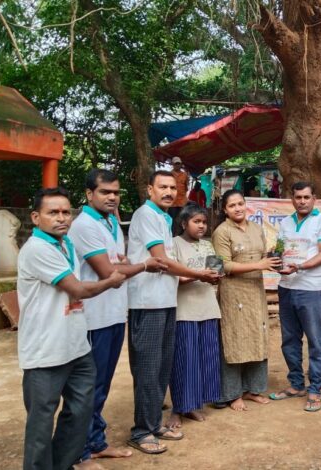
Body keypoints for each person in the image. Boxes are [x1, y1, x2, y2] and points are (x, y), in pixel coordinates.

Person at [17, 187, 126, 470]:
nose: (62, 218)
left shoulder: (65, 245)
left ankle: (63, 463)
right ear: (35, 217)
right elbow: (77, 288)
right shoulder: (37, 249)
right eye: (53, 212)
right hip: (46, 350)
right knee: (41, 423)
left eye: (66, 212)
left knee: (80, 410)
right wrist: (111, 281)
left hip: (76, 346)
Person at [68, 169, 167, 468]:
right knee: (89, 387)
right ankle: (81, 452)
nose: (112, 197)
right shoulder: (84, 225)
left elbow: (118, 263)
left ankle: (96, 442)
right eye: (104, 192)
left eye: (116, 192)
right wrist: (143, 265)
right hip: (92, 319)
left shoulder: (110, 221)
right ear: (89, 194)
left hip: (112, 315)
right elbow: (107, 272)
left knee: (103, 385)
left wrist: (126, 265)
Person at [126, 171, 220, 454]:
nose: (168, 191)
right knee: (147, 370)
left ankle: (153, 424)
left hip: (166, 302)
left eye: (172, 187)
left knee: (161, 369)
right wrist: (198, 274)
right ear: (149, 189)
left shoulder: (163, 218)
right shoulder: (145, 215)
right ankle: (141, 431)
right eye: (162, 187)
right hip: (147, 303)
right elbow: (162, 260)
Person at [213, 189, 282, 411]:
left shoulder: (256, 228)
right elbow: (224, 266)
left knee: (256, 337)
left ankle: (253, 389)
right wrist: (259, 265)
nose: (238, 208)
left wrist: (273, 260)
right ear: (225, 209)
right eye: (232, 205)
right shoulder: (222, 232)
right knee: (234, 340)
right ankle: (233, 394)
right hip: (233, 293)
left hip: (255, 291)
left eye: (240, 203)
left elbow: (264, 257)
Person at [269, 182, 321, 412]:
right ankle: (296, 384)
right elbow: (279, 250)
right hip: (286, 287)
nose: (302, 201)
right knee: (289, 340)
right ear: (292, 199)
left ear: (314, 198)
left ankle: (315, 389)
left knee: (316, 342)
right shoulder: (285, 223)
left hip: (310, 289)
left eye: (307, 197)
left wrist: (299, 267)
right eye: (298, 197)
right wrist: (275, 261)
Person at [166, 203, 224, 429]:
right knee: (183, 362)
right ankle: (176, 409)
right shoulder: (174, 245)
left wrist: (215, 276)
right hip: (185, 311)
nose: (201, 226)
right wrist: (199, 276)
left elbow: (216, 272)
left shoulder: (208, 245)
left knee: (204, 360)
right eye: (196, 222)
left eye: (203, 222)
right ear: (183, 223)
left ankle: (192, 405)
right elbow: (174, 277)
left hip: (208, 308)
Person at [169, 156, 189, 233]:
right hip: (172, 202)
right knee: (172, 220)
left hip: (182, 202)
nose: (177, 165)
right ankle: (172, 236)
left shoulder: (184, 175)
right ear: (173, 164)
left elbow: (186, 187)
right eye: (176, 164)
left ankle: (182, 235)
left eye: (179, 164)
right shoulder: (169, 174)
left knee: (182, 218)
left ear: (181, 164)